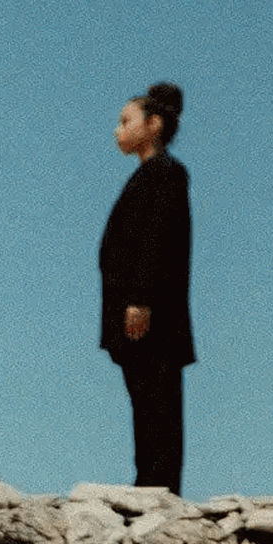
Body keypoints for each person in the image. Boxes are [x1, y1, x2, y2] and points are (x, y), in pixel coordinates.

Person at [99, 82, 195, 495]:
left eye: (126, 121)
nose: (117, 130)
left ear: (153, 125)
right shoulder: (146, 176)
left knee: (159, 400)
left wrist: (141, 299)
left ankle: (160, 485)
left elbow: (159, 239)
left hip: (152, 315)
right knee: (144, 399)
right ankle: (148, 482)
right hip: (135, 313)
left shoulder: (166, 173)